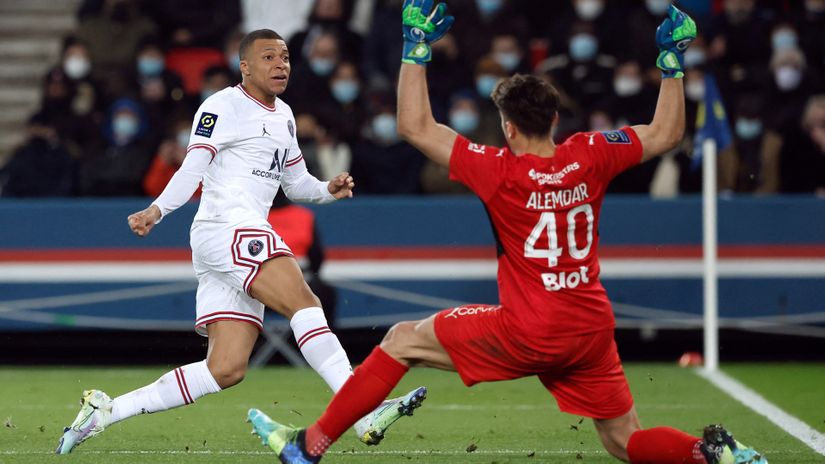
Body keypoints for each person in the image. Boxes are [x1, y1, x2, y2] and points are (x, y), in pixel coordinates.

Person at [245, 3, 769, 464]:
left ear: (509, 128)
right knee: (623, 439)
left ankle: (308, 446)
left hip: (529, 329)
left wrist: (415, 48)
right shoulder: (591, 153)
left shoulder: (498, 170)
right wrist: (672, 62)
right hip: (589, 328)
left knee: (402, 340)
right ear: (555, 120)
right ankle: (709, 453)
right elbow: (666, 133)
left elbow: (415, 127)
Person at [56, 28, 424, 454]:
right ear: (244, 66)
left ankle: (105, 411)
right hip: (228, 226)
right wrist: (158, 209)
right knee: (304, 302)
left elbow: (295, 182)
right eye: (268, 57)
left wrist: (327, 189)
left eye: (285, 57)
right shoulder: (222, 106)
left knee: (226, 368)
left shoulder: (285, 115)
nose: (280, 64)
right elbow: (193, 167)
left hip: (225, 240)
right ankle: (361, 408)